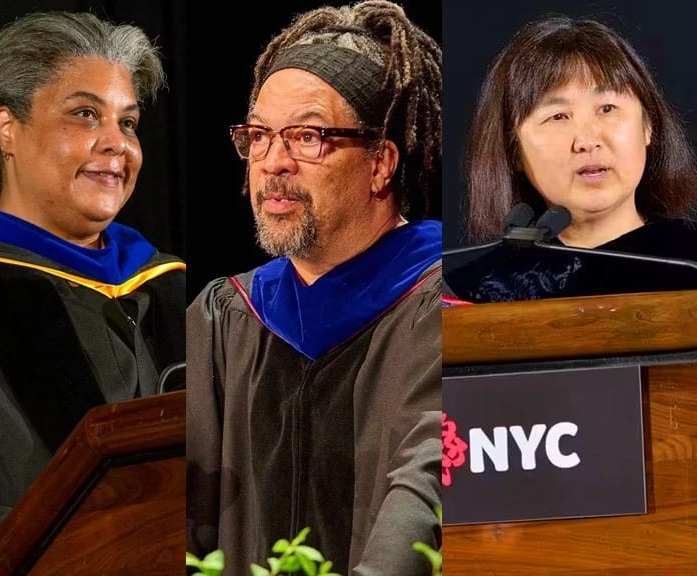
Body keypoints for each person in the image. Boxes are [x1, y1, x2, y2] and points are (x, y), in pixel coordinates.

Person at [0, 11, 185, 575]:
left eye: (130, 122)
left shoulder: (174, 290)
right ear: (6, 128)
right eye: (86, 114)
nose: (117, 144)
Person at [186, 1, 442, 574]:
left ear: (381, 163)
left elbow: (427, 490)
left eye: (307, 137)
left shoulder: (440, 303)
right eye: (258, 136)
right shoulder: (226, 317)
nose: (273, 162)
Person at [443, 15, 697, 303]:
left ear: (647, 127)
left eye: (607, 108)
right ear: (514, 151)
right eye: (558, 116)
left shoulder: (688, 261)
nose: (587, 142)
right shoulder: (470, 295)